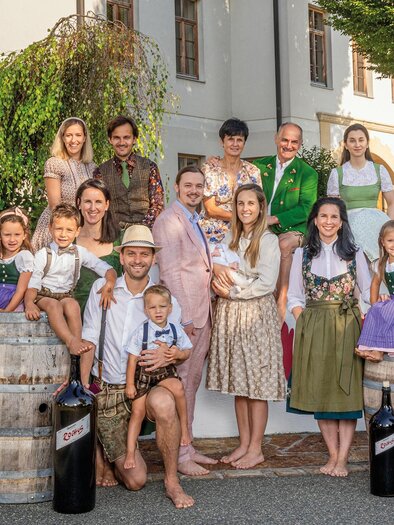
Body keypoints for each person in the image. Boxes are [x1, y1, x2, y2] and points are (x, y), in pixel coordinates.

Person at [81, 225, 194, 509]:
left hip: (149, 384)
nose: (137, 259)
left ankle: (171, 481)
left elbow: (183, 350)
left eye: (144, 254)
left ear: (153, 258)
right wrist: (85, 386)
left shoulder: (165, 299)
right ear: (121, 258)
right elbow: (90, 340)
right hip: (109, 387)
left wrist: (170, 356)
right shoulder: (101, 289)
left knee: (167, 404)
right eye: (131, 253)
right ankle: (108, 454)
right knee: (135, 480)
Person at [287, 197, 371, 477]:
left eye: (334, 217)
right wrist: (304, 320)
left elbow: (367, 294)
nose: (328, 222)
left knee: (344, 393)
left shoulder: (354, 253)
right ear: (314, 219)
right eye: (323, 216)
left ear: (342, 221)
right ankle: (332, 454)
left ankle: (343, 458)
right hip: (313, 324)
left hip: (346, 325)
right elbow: (295, 296)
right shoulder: (303, 254)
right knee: (320, 390)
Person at [207, 183, 285, 469]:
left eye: (250, 203)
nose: (245, 209)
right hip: (231, 313)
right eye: (240, 204)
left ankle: (256, 448)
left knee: (256, 385)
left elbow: (266, 283)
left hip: (254, 313)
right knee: (240, 384)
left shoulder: (267, 240)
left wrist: (234, 292)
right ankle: (243, 443)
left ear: (261, 207)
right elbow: (216, 263)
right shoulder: (231, 236)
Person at [153, 166, 217, 476]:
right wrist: (185, 318)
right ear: (176, 187)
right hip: (187, 315)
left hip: (202, 312)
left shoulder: (194, 219)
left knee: (191, 383)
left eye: (199, 186)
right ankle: (179, 456)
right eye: (188, 185)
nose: (194, 190)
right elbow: (169, 273)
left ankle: (188, 447)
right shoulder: (168, 221)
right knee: (180, 384)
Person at [24, 204, 117, 355]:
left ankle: (76, 353)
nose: (63, 234)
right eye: (59, 228)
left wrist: (110, 282)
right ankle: (72, 342)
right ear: (50, 228)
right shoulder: (43, 254)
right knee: (54, 306)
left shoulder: (80, 252)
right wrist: (29, 304)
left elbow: (106, 268)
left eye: (69, 230)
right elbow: (33, 285)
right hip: (44, 296)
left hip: (66, 295)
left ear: (77, 231)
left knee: (73, 305)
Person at [253, 123, 318, 322]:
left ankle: (282, 297)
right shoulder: (259, 166)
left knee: (283, 244)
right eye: (284, 140)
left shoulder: (307, 173)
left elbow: (306, 209)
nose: (288, 145)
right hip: (259, 226)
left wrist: (273, 219)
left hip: (296, 228)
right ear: (276, 138)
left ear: (300, 144)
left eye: (294, 142)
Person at [124, 284, 193, 470]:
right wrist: (130, 384)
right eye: (153, 307)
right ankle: (130, 452)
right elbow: (132, 359)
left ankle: (185, 429)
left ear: (170, 308)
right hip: (144, 374)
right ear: (146, 310)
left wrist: (177, 353)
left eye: (162, 306)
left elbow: (187, 349)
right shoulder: (141, 331)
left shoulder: (175, 328)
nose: (158, 311)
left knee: (178, 388)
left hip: (164, 372)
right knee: (137, 413)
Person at [327, 123, 394, 263]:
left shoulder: (379, 170)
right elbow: (332, 209)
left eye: (361, 140)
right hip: (350, 227)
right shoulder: (337, 174)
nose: (357, 144)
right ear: (345, 144)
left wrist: (389, 228)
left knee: (379, 267)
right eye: (352, 140)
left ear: (367, 143)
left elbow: (392, 202)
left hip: (377, 225)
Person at [32, 117, 95, 251]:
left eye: (78, 135)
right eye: (69, 135)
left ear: (84, 138)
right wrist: (68, 229)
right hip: (59, 226)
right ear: (62, 138)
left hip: (83, 228)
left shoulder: (92, 167)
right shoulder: (55, 163)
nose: (73, 140)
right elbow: (55, 205)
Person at [93, 115, 164, 230]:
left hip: (146, 234)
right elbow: (98, 206)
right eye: (116, 138)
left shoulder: (150, 167)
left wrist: (142, 229)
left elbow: (157, 204)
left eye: (126, 137)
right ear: (110, 139)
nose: (122, 142)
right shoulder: (100, 172)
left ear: (134, 139)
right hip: (113, 235)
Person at [199, 117, 262, 245]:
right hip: (213, 232)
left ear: (244, 143)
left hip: (245, 230)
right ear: (222, 142)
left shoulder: (252, 171)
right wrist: (241, 217)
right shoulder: (210, 169)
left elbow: (257, 205)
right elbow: (210, 209)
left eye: (239, 140)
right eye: (230, 139)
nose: (235, 144)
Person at [73, 179, 122, 316]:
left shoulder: (120, 240)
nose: (93, 208)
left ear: (107, 205)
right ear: (79, 204)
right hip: (75, 317)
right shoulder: (68, 240)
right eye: (88, 201)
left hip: (112, 315)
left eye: (98, 202)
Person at [356, 221, 394, 361]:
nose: (393, 245)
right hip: (392, 299)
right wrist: (374, 302)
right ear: (382, 242)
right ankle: (369, 347)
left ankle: (379, 351)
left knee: (388, 310)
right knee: (375, 310)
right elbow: (375, 284)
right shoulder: (382, 263)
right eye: (390, 240)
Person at [0, 207, 34, 312]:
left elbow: (21, 290)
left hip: (14, 303)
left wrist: (7, 312)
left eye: (17, 234)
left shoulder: (24, 257)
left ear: (24, 235)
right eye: (7, 235)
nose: (12, 239)